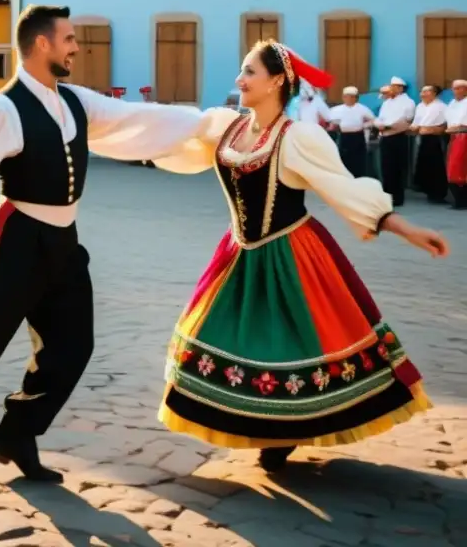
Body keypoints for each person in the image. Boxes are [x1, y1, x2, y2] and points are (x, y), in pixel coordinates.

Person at [0, 5, 214, 495]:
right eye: (69, 38)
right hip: (17, 240)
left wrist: (207, 125)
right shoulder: (3, 108)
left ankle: (18, 434)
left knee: (73, 345)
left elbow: (135, 117)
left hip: (64, 244)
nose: (76, 46)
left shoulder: (74, 101)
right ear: (43, 44)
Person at [153, 41, 446, 471]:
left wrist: (404, 228)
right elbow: (167, 133)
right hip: (237, 253)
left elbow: (343, 187)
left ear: (276, 81)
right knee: (227, 338)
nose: (239, 79)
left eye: (249, 71)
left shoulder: (298, 138)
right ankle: (257, 426)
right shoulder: (227, 127)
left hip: (291, 253)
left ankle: (283, 434)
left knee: (290, 345)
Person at [374, 77, 416, 206]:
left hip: (398, 137)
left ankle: (397, 197)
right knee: (386, 167)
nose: (390, 89)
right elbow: (379, 118)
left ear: (400, 88)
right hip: (385, 137)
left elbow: (406, 120)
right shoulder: (387, 103)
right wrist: (379, 126)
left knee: (397, 168)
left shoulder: (408, 102)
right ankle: (387, 195)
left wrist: (388, 127)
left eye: (393, 86)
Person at [328, 86, 374, 178]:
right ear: (343, 97)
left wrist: (364, 126)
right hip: (344, 137)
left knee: (358, 162)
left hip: (358, 137)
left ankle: (358, 180)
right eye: (346, 96)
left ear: (355, 98)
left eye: (352, 97)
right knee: (345, 161)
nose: (349, 99)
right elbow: (331, 122)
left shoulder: (363, 109)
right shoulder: (336, 110)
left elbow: (373, 120)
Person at [446, 79, 467, 209]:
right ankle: (458, 199)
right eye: (455, 88)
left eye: (460, 88)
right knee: (452, 167)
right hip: (453, 136)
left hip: (464, 136)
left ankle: (463, 200)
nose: (456, 91)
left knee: (460, 167)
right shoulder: (452, 103)